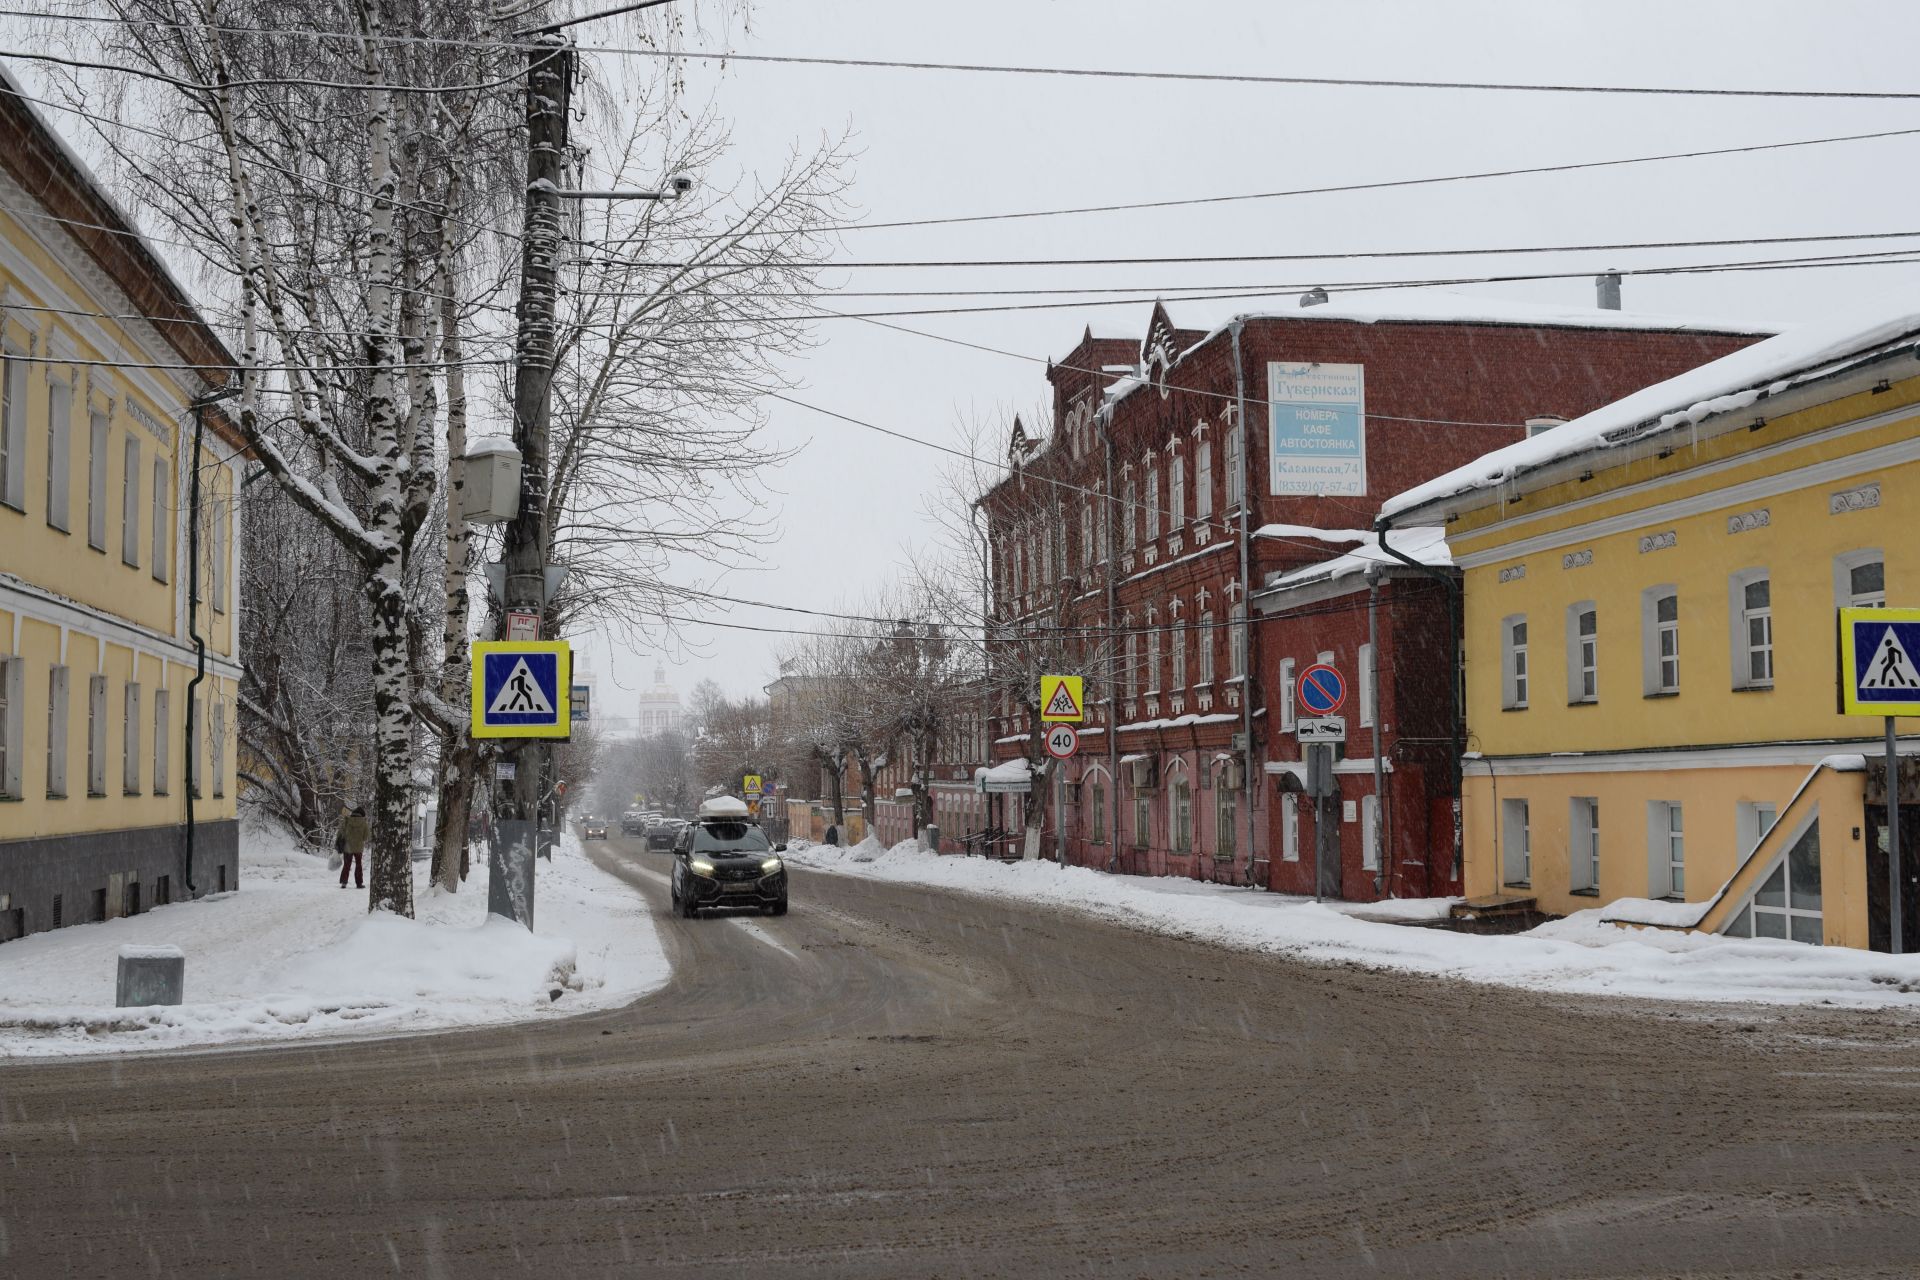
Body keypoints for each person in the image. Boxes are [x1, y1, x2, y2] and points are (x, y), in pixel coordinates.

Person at [336, 805, 370, 889]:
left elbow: (340, 833)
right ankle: (359, 883)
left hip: (348, 847)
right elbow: (366, 837)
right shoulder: (364, 823)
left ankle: (344, 882)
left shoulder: (347, 821)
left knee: (347, 865)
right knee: (358, 865)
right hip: (358, 848)